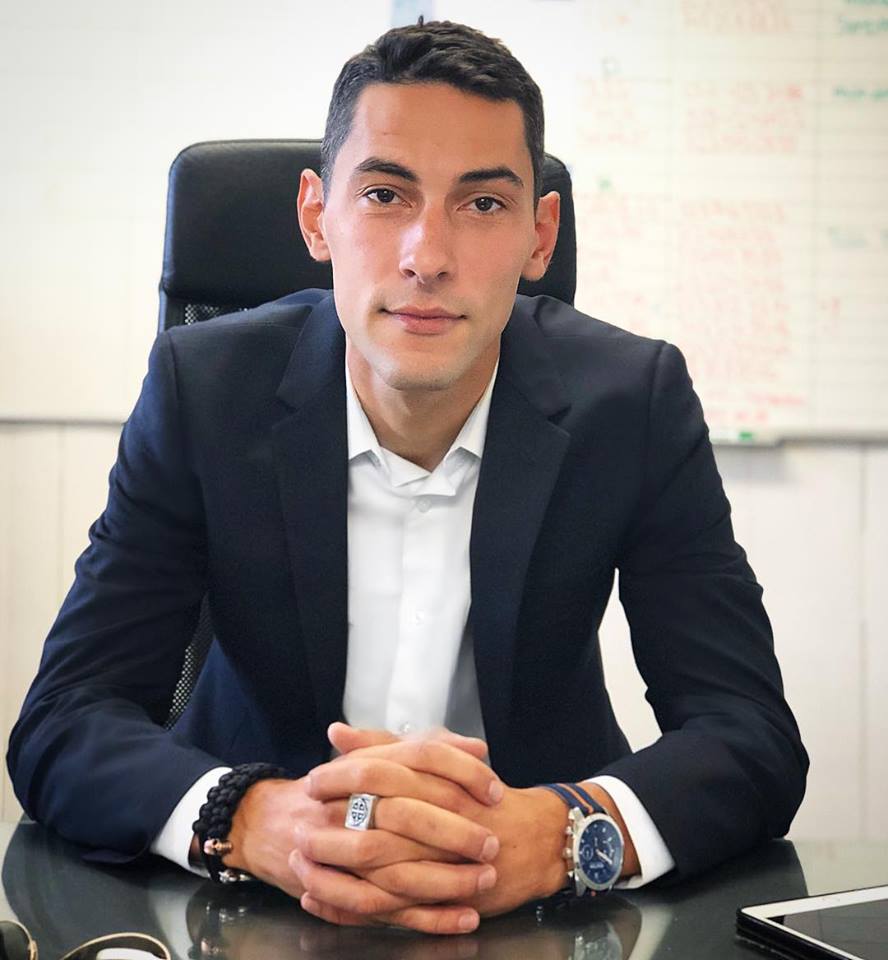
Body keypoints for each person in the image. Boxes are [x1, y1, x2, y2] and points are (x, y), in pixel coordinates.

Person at [7, 19, 807, 936]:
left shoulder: (633, 402)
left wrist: (560, 836)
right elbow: (66, 719)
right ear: (317, 216)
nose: (428, 256)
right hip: (249, 911)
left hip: (535, 918)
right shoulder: (205, 391)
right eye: (385, 194)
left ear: (540, 236)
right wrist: (254, 819)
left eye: (483, 204)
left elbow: (750, 734)